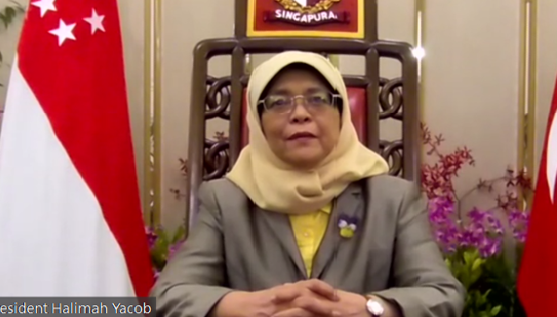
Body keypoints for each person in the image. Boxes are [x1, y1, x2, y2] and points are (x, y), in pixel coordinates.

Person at [154, 51, 462, 317]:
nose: (300, 114)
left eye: (317, 99)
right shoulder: (225, 200)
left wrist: (371, 308)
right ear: (257, 121)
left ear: (342, 115)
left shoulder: (392, 200)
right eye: (278, 102)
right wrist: (237, 306)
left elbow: (444, 296)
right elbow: (164, 298)